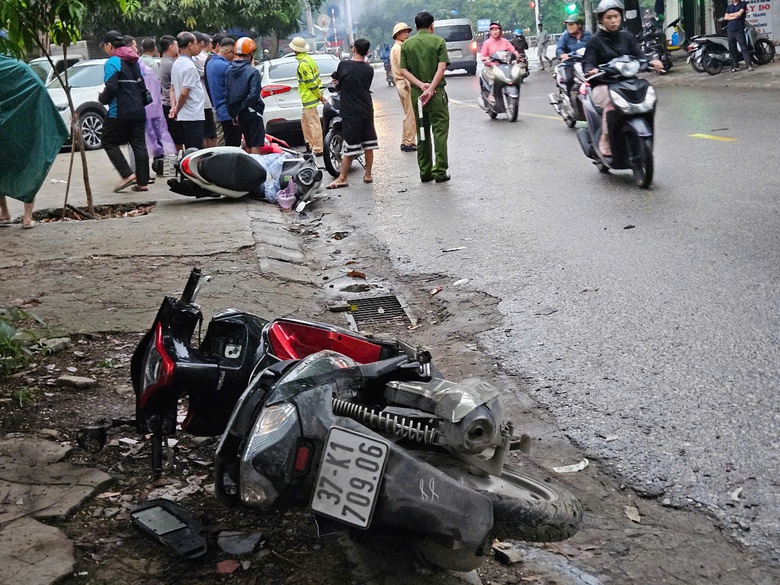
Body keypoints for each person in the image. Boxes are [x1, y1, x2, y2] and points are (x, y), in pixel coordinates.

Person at [583, 0, 664, 157]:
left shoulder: (627, 36)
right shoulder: (595, 41)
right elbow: (587, 63)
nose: (613, 21)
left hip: (627, 82)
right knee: (612, 106)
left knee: (649, 98)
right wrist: (591, 70)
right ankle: (605, 139)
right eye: (609, 17)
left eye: (616, 16)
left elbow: (639, 55)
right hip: (603, 84)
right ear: (601, 20)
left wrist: (651, 61)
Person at [0, 55, 68, 229]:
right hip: (24, 128)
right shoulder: (17, 66)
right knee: (31, 166)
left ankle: (4, 213)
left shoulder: (13, 66)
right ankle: (27, 217)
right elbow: (39, 90)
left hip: (5, 131)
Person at [399, 11, 451, 184]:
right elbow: (441, 68)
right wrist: (431, 88)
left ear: (415, 27)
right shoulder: (438, 41)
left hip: (417, 95)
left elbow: (403, 70)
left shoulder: (407, 45)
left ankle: (425, 171)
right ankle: (440, 171)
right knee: (440, 132)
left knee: (422, 131)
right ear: (432, 26)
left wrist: (421, 86)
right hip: (436, 95)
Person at [98, 30, 150, 193]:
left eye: (105, 46)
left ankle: (127, 174)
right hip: (138, 110)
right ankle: (143, 183)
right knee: (139, 144)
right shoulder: (134, 61)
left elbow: (112, 87)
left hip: (119, 111)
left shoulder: (113, 62)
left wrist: (102, 99)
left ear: (109, 45)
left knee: (108, 140)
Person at [325, 38, 377, 189]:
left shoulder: (344, 65)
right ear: (367, 52)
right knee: (369, 143)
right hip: (366, 109)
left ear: (354, 49)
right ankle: (368, 175)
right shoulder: (369, 69)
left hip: (350, 110)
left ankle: (342, 178)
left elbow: (340, 85)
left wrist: (338, 84)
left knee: (351, 146)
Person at [226, 37, 265, 154]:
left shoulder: (229, 71)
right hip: (253, 111)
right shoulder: (253, 72)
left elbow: (228, 93)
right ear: (251, 53)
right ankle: (255, 169)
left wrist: (234, 112)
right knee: (255, 143)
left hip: (239, 114)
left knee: (247, 143)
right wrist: (244, 106)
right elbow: (254, 94)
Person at [170, 31, 206, 150]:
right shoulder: (189, 66)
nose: (197, 47)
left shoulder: (177, 63)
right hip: (192, 114)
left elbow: (173, 89)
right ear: (190, 45)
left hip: (184, 115)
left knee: (189, 148)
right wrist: (176, 109)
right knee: (194, 150)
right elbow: (184, 92)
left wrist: (174, 107)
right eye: (196, 44)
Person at [291, 36, 325, 155]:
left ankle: (318, 148)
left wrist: (320, 96)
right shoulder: (308, 59)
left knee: (313, 124)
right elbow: (316, 79)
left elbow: (311, 82)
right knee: (305, 122)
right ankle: (310, 144)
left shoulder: (303, 64)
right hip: (308, 98)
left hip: (309, 98)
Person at [206, 37, 242, 147]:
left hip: (218, 108)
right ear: (228, 51)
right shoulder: (226, 66)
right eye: (234, 54)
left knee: (223, 142)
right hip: (228, 112)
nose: (235, 57)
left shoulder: (210, 63)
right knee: (232, 145)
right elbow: (233, 90)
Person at [390, 22, 416, 153]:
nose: (407, 34)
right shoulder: (399, 49)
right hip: (404, 83)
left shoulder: (396, 47)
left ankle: (405, 140)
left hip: (400, 83)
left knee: (408, 113)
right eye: (404, 32)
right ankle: (409, 142)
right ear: (397, 34)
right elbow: (403, 68)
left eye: (408, 31)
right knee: (411, 114)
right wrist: (409, 84)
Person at [158, 35, 184, 151]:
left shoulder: (164, 62)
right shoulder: (171, 64)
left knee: (176, 138)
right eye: (176, 45)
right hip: (172, 105)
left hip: (167, 103)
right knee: (178, 139)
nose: (178, 48)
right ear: (171, 47)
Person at [556, 14, 592, 96]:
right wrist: (562, 55)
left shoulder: (588, 36)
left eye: (572, 24)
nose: (569, 27)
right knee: (569, 80)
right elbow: (559, 49)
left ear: (579, 25)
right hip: (570, 64)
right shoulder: (565, 37)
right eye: (568, 25)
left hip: (586, 63)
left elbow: (596, 46)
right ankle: (570, 98)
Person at [192, 32, 218, 147]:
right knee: (210, 133)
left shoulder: (201, 57)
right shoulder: (200, 58)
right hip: (204, 100)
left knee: (208, 133)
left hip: (203, 100)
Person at [724, 0, 753, 72]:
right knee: (732, 49)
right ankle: (735, 66)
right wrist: (734, 16)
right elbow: (725, 17)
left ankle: (749, 65)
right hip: (730, 30)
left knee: (744, 47)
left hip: (739, 29)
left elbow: (740, 14)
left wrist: (731, 15)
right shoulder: (729, 6)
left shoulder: (742, 4)